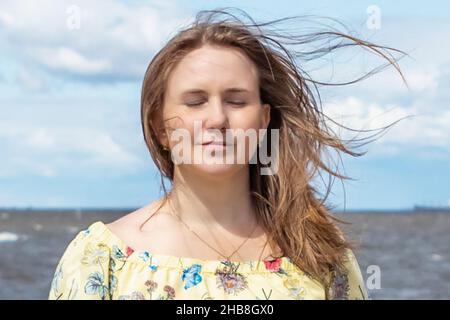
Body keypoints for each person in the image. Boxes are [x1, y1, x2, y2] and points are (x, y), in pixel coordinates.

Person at [49, 8, 405, 300]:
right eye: (195, 101)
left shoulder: (321, 254)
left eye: (236, 101)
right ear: (159, 126)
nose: (217, 119)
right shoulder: (102, 259)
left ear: (264, 120)